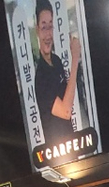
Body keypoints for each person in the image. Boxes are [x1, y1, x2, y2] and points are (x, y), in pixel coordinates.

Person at [34, 0, 82, 147]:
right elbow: (66, 112)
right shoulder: (41, 76)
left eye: (50, 26)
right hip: (57, 151)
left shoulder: (56, 60)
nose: (48, 34)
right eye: (44, 27)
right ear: (37, 30)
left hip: (71, 143)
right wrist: (75, 59)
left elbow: (68, 97)